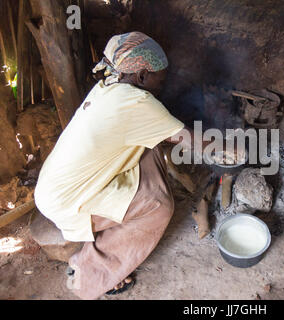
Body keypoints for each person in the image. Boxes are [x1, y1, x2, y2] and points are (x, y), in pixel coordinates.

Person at [34, 31, 199, 299]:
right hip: (66, 201)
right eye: (162, 76)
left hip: (55, 186)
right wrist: (237, 146)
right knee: (159, 208)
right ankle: (90, 275)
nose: (164, 82)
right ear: (142, 76)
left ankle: (131, 207)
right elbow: (194, 141)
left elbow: (162, 132)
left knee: (150, 146)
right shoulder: (137, 103)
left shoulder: (107, 88)